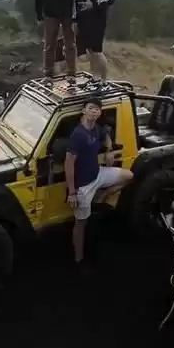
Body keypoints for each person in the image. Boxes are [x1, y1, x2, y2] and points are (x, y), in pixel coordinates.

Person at [65, 96, 133, 267]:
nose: (94, 111)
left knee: (129, 176)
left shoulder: (96, 128)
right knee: (81, 223)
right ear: (83, 110)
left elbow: (106, 136)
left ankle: (102, 195)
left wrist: (109, 150)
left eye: (97, 109)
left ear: (100, 113)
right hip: (83, 186)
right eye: (91, 108)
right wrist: (72, 192)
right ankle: (78, 259)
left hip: (98, 174)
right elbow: (69, 163)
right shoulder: (78, 135)